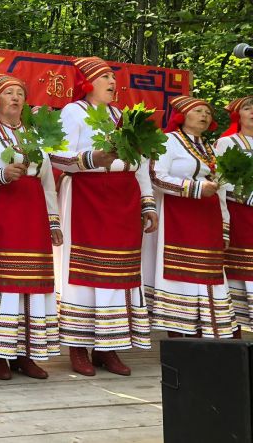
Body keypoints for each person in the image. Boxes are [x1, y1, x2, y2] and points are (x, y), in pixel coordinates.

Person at [50, 56, 158, 377]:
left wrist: (148, 202)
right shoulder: (73, 112)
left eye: (114, 78)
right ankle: (79, 347)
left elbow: (139, 162)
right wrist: (91, 157)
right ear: (88, 82)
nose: (113, 83)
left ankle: (107, 346)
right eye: (106, 77)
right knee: (86, 270)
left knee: (119, 272)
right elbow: (56, 155)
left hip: (123, 201)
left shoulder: (122, 116)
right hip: (88, 197)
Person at [0, 74, 62, 380]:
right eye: (9, 93)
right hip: (1, 214)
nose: (16, 97)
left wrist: (53, 221)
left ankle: (25, 354)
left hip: (32, 216)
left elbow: (48, 182)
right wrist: (0, 174)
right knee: (4, 282)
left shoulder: (34, 135)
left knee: (31, 285)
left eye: (20, 93)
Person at [145, 96, 235, 338]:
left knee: (206, 273)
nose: (205, 115)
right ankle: (177, 333)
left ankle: (203, 330)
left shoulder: (208, 148)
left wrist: (224, 226)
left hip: (207, 219)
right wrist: (193, 188)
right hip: (179, 216)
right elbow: (155, 175)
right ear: (182, 116)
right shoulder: (168, 141)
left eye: (208, 112)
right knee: (180, 271)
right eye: (198, 111)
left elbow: (222, 188)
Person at [215, 96, 253, 335]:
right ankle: (236, 329)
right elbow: (221, 181)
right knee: (242, 271)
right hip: (241, 212)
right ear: (238, 115)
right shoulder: (227, 142)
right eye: (248, 108)